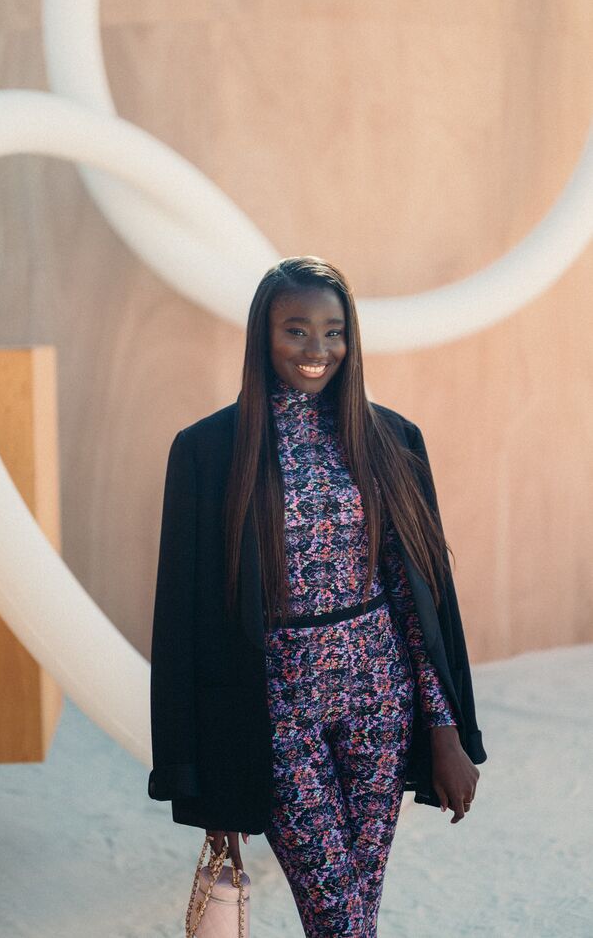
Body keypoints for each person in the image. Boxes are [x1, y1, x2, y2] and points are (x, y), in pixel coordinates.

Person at [148, 256, 487, 937]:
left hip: (381, 700)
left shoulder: (391, 439)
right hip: (277, 711)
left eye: (334, 332)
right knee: (338, 913)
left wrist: (446, 729)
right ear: (263, 335)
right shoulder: (207, 452)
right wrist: (207, 780)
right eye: (296, 330)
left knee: (354, 908)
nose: (317, 349)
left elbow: (418, 600)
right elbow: (180, 624)